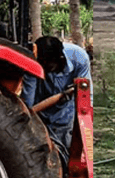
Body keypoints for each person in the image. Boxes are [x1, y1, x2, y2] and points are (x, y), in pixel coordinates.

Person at [21, 36, 90, 165]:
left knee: (65, 157)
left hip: (65, 115)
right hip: (40, 115)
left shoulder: (79, 58)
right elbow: (28, 105)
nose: (46, 69)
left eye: (49, 66)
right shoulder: (33, 62)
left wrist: (84, 127)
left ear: (60, 59)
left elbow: (85, 95)